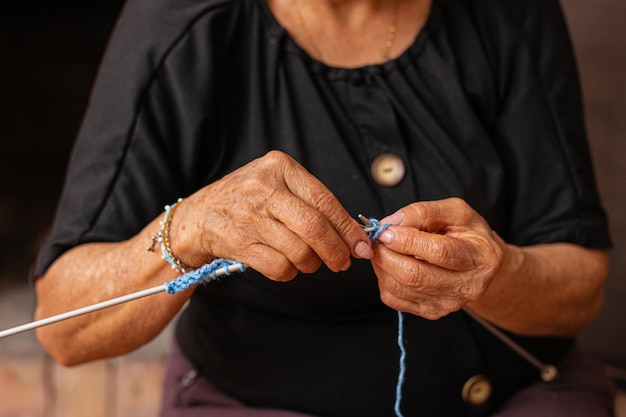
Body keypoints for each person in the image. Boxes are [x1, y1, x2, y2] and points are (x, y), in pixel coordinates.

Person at [32, 0, 617, 415]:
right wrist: (190, 228)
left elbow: (580, 287)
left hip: (520, 394)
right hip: (257, 402)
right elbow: (65, 327)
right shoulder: (179, 24)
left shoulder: (505, 14)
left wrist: (498, 276)